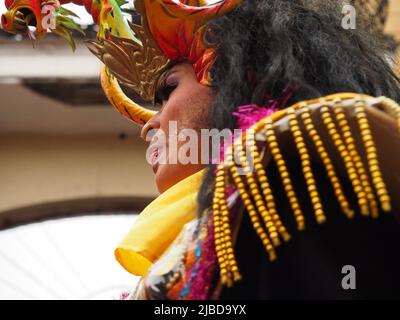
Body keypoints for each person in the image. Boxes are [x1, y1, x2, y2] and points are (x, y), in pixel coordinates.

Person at [3, 0, 400, 299]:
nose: (149, 127)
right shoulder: (198, 233)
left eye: (167, 91)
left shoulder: (311, 148)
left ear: (237, 77)